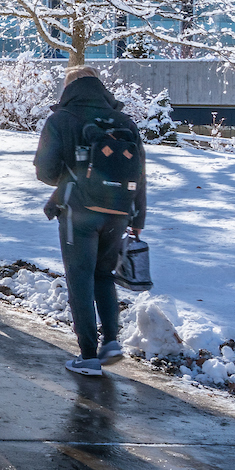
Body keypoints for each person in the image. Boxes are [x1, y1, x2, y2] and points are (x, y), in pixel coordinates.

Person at [35, 67, 148, 377]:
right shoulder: (125, 122)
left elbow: (44, 172)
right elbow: (139, 173)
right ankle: (111, 341)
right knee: (104, 274)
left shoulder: (61, 120)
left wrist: (70, 176)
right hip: (119, 212)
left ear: (69, 88)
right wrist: (138, 217)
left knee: (80, 277)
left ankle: (87, 355)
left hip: (78, 212)